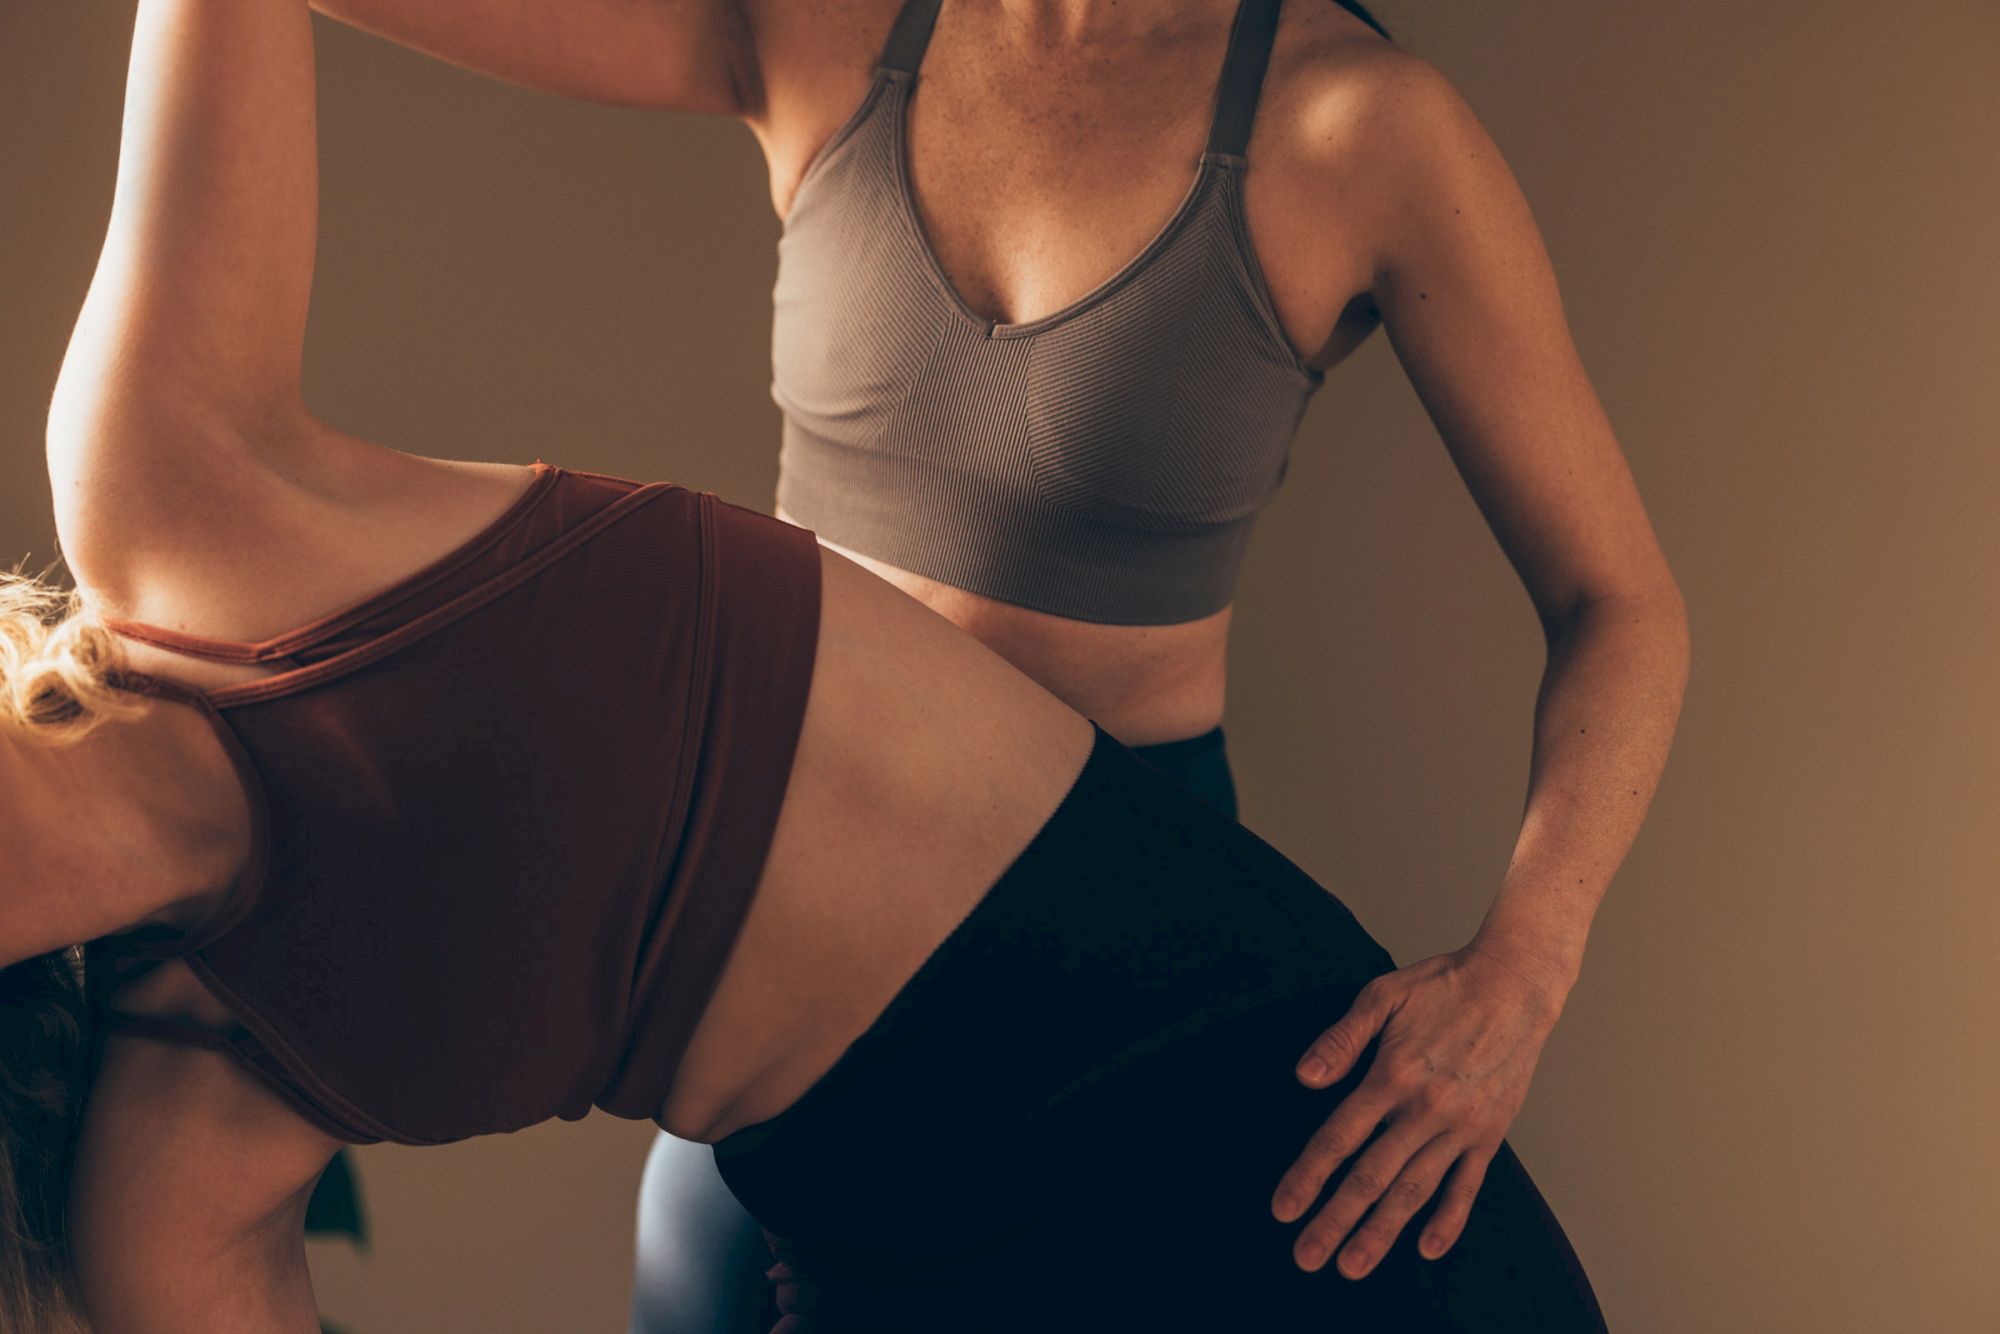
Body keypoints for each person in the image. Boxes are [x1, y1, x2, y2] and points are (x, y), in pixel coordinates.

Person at [0, 1, 1678, 1330]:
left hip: (1117, 915)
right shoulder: (832, 23)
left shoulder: (1353, 126)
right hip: (731, 963)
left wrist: (1518, 971)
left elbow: (1622, 600)